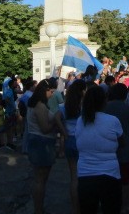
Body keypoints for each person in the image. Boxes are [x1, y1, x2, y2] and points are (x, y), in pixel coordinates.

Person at [76, 85, 123, 214]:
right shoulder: (113, 121)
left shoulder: (81, 121)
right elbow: (121, 141)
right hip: (110, 174)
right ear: (104, 101)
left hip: (85, 175)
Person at [27, 79, 66, 214]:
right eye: (51, 91)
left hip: (37, 141)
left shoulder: (35, 104)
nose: (52, 94)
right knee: (40, 179)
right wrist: (56, 122)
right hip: (42, 143)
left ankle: (38, 208)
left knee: (39, 179)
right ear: (45, 91)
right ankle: (38, 209)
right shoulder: (40, 106)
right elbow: (44, 128)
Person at [104, 82, 129, 213]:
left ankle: (108, 205)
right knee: (126, 182)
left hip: (106, 151)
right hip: (126, 151)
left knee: (108, 181)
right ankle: (124, 207)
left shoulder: (103, 108)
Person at [59, 79, 86, 214]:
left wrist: (63, 131)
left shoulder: (64, 106)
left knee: (74, 177)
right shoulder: (85, 106)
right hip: (83, 141)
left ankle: (75, 209)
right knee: (85, 176)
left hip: (70, 140)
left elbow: (55, 118)